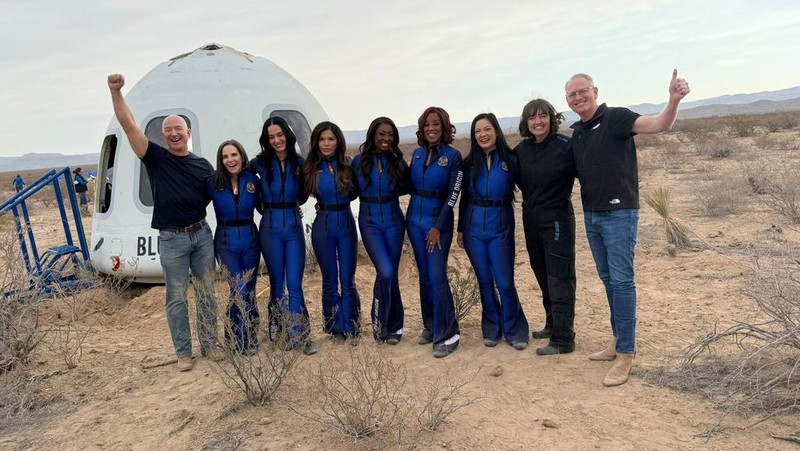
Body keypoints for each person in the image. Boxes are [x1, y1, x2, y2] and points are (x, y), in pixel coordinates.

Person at [567, 70, 690, 386]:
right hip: (592, 215)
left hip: (619, 214)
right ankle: (618, 338)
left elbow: (660, 124)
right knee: (608, 279)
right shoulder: (578, 133)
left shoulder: (616, 118)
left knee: (622, 281)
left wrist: (673, 101)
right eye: (572, 95)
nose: (578, 97)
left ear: (595, 91)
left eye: (583, 91)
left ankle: (626, 353)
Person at [107, 74, 218, 372]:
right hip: (172, 239)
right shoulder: (154, 157)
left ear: (188, 132)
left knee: (207, 292)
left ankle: (210, 345)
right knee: (176, 297)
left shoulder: (202, 165)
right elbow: (128, 124)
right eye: (167, 130)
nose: (172, 133)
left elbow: (218, 196)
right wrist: (116, 92)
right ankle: (184, 352)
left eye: (178, 128)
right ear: (163, 134)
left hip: (201, 235)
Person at [457, 113, 529, 350]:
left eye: (487, 129)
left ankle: (515, 330)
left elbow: (529, 187)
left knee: (504, 281)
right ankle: (492, 328)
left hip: (501, 226)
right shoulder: (468, 164)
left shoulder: (512, 159)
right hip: (473, 228)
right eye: (478, 131)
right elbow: (464, 198)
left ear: (496, 131)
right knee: (484, 281)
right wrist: (460, 230)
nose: (483, 135)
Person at [248, 116, 316, 355]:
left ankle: (300, 335)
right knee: (277, 285)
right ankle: (280, 330)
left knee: (295, 284)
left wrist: (294, 203)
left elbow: (306, 192)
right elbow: (244, 181)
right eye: (271, 137)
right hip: (270, 229)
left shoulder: (300, 162)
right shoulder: (259, 163)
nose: (276, 140)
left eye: (280, 135)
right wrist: (259, 205)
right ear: (266, 140)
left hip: (293, 228)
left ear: (287, 134)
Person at [514, 99, 577, 356]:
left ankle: (564, 338)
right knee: (541, 272)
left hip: (557, 219)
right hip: (530, 218)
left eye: (542, 116)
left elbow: (588, 171)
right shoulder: (523, 149)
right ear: (526, 123)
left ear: (551, 118)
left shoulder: (565, 146)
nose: (537, 121)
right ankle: (552, 324)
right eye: (532, 118)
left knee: (559, 277)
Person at [407, 106, 462, 358]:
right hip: (414, 221)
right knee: (425, 276)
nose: (431, 128)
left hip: (437, 224)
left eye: (436, 124)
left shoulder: (453, 156)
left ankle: (448, 333)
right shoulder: (417, 154)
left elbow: (453, 195)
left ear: (444, 127)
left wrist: (438, 227)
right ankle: (430, 325)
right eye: (427, 124)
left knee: (437, 275)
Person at [302, 122, 361, 345]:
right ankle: (335, 327)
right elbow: (296, 193)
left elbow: (358, 191)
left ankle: (352, 326)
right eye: (322, 140)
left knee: (347, 278)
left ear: (338, 141)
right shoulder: (309, 167)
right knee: (329, 279)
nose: (326, 144)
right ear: (316, 142)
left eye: (331, 139)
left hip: (345, 223)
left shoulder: (348, 164)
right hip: (323, 224)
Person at [352, 117, 409, 344]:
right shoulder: (358, 162)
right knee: (384, 271)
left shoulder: (397, 162)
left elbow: (410, 185)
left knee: (392, 274)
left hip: (395, 221)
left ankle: (394, 326)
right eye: (382, 134)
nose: (386, 139)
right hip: (370, 222)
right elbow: (348, 189)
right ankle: (378, 322)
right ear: (373, 135)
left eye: (390, 135)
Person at [208, 139, 262, 354]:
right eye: (225, 156)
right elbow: (193, 203)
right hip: (225, 242)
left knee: (248, 288)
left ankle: (246, 332)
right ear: (221, 161)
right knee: (237, 288)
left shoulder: (253, 181)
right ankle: (240, 339)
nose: (230, 160)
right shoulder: (213, 183)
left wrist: (294, 209)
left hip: (250, 240)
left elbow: (265, 206)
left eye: (234, 155)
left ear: (241, 156)